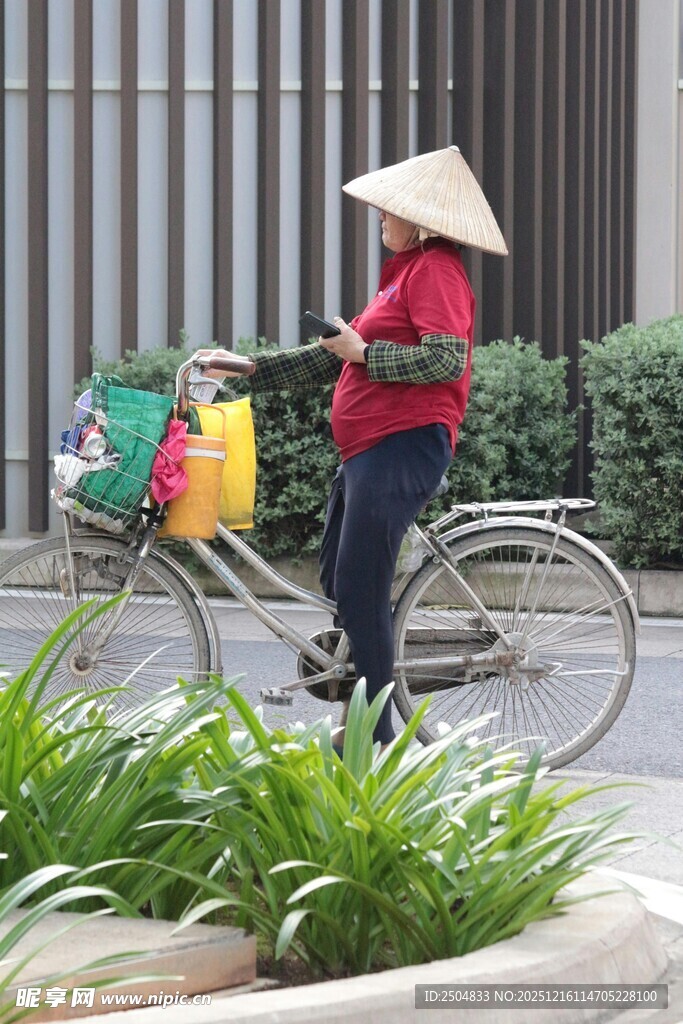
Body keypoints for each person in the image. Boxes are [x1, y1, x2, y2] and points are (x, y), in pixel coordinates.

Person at [195, 145, 507, 753]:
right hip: (370, 449)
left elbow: (447, 359)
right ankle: (356, 713)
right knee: (341, 573)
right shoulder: (404, 276)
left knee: (362, 586)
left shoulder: (437, 270)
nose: (380, 219)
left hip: (403, 444)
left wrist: (366, 354)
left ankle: (376, 738)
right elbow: (332, 357)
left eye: (389, 211)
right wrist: (249, 367)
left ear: (420, 221)